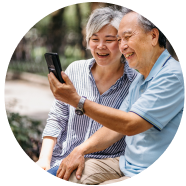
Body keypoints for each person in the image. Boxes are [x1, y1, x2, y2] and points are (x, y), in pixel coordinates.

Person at [48, 8, 186, 184]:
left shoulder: (171, 75)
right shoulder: (142, 78)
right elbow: (115, 128)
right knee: (63, 176)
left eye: (127, 37)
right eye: (120, 39)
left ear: (153, 36)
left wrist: (77, 101)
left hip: (156, 171)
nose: (122, 46)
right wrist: (79, 151)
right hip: (126, 164)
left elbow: (130, 124)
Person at [35, 5, 138, 184]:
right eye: (94, 38)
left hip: (105, 160)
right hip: (63, 158)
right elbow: (57, 117)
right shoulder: (75, 70)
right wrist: (44, 159)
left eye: (109, 39)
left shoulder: (134, 81)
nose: (100, 46)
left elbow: (120, 125)